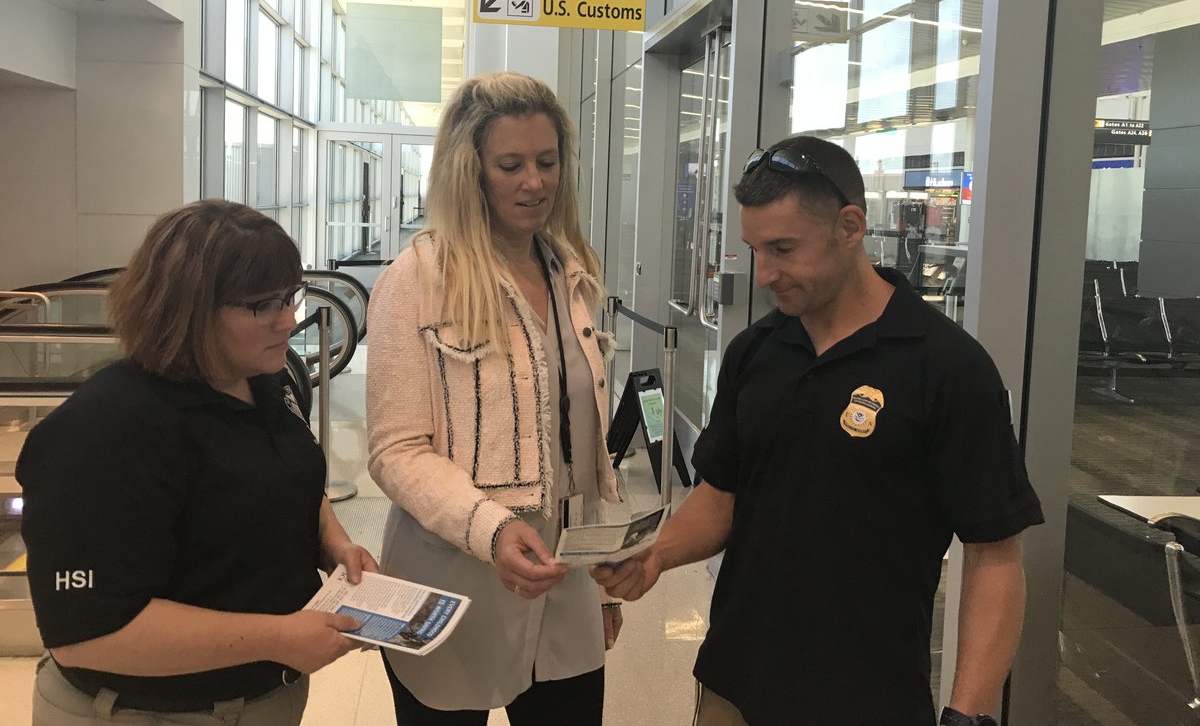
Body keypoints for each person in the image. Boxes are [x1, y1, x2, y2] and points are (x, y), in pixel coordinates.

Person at [593, 136, 1045, 726]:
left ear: (850, 226)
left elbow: (994, 556)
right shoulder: (755, 351)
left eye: (783, 249)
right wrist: (655, 556)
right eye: (755, 249)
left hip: (867, 697)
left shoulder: (946, 366)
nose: (763, 275)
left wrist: (969, 715)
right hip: (735, 679)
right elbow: (723, 497)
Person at [17, 199, 377, 726]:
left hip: (261, 695)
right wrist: (279, 636)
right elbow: (87, 635)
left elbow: (285, 477)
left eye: (290, 295)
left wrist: (333, 540)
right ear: (185, 309)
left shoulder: (261, 380)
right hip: (145, 712)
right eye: (261, 305)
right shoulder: (108, 428)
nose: (289, 318)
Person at [366, 71, 621, 725]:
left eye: (546, 162)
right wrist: (494, 528)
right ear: (469, 171)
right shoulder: (418, 279)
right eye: (511, 165)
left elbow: (583, 440)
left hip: (563, 583)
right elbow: (397, 450)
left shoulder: (572, 271)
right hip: (449, 580)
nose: (534, 182)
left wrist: (604, 570)